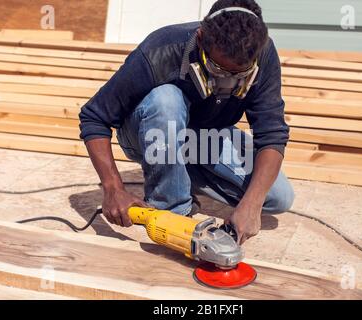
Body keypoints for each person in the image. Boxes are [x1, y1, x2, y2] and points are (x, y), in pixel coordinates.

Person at [79, 0, 295, 245]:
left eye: (240, 75)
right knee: (166, 100)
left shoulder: (262, 52)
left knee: (277, 197)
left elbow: (272, 134)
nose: (228, 82)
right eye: (219, 70)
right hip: (148, 133)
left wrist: (251, 205)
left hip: (204, 136)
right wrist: (113, 188)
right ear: (201, 39)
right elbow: (94, 116)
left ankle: (177, 171)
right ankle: (174, 211)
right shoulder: (161, 49)